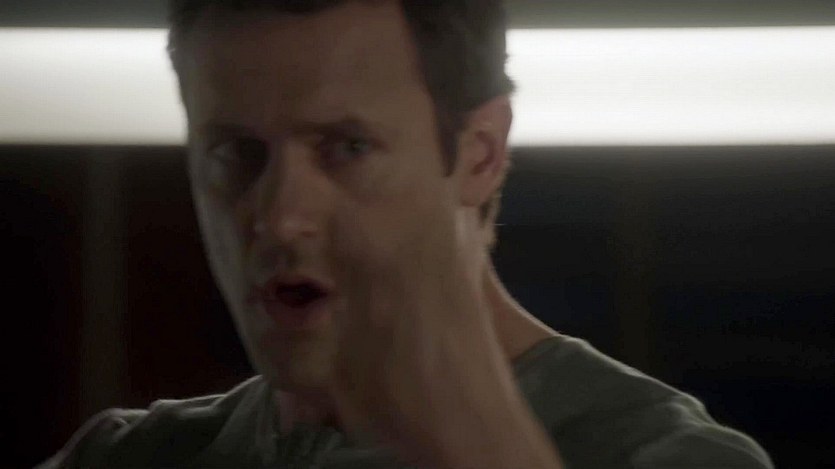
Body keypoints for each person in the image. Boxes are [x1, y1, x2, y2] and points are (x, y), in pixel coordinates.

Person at [40, 1, 774, 468]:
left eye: (346, 148)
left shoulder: (659, 455)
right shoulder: (130, 457)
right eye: (236, 152)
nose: (279, 216)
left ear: (479, 155)